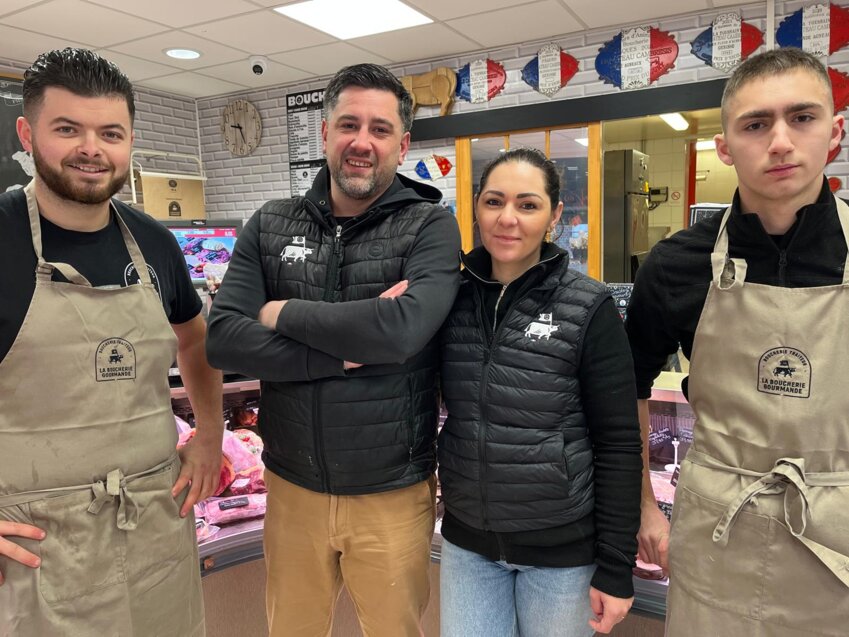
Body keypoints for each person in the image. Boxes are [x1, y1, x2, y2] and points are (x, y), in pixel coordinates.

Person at [206, 63, 461, 636]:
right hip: (292, 487)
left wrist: (279, 313)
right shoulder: (270, 224)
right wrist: (336, 353)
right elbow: (223, 338)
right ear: (324, 133)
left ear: (402, 144)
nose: (362, 142)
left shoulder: (430, 228)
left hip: (391, 493)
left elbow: (400, 332)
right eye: (349, 124)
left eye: (379, 128)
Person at [0, 48, 224, 635]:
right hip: (37, 547)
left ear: (129, 143)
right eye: (67, 129)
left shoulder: (154, 242)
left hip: (154, 527)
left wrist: (209, 435)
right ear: (27, 134)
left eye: (110, 133)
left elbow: (195, 339)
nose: (91, 148)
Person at [627, 47, 849, 635]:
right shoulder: (674, 266)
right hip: (715, 532)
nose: (780, 142)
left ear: (835, 133)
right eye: (755, 124)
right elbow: (627, 389)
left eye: (802, 117)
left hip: (838, 542)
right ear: (725, 146)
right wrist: (645, 506)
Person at [438, 148, 642, 636]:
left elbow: (618, 442)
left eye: (527, 205)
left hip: (562, 555)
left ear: (554, 216)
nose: (507, 218)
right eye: (494, 202)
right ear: (476, 209)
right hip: (468, 545)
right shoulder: (447, 298)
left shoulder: (588, 306)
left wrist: (616, 565)